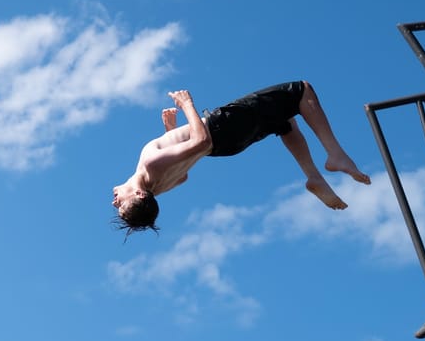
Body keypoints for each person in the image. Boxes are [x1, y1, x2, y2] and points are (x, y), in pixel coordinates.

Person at [110, 80, 371, 234]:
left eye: (117, 206)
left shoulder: (158, 186)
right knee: (301, 91)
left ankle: (314, 177)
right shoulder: (149, 166)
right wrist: (187, 104)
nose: (115, 202)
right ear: (140, 195)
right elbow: (201, 141)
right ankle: (335, 154)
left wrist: (171, 131)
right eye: (121, 205)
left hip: (227, 146)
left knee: (284, 119)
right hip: (221, 128)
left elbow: (183, 174)